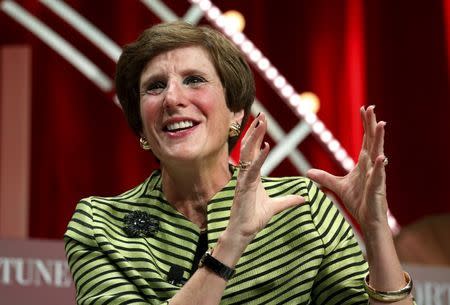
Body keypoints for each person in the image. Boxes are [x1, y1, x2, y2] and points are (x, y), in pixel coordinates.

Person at [64, 21, 415, 305]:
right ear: (141, 125)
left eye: (194, 80)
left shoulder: (299, 206)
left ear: (235, 111)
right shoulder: (100, 224)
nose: (172, 98)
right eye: (155, 87)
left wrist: (374, 229)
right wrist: (232, 240)